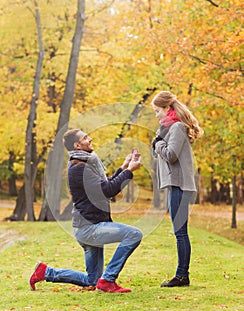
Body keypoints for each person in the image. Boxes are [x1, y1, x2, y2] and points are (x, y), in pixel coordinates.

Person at [30, 128, 143, 293]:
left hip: (87, 227)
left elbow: (103, 187)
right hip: (89, 228)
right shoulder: (79, 168)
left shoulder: (84, 165)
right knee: (134, 234)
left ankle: (46, 272)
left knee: (92, 280)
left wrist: (123, 168)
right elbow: (107, 190)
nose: (90, 139)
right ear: (77, 145)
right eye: (85, 137)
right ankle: (108, 279)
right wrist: (129, 171)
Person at [151, 91, 203, 287]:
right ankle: (182, 275)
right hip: (175, 185)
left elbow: (171, 155)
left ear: (167, 108)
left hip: (180, 185)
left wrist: (158, 143)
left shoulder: (178, 128)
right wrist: (158, 141)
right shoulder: (168, 129)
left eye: (157, 111)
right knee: (179, 231)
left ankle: (182, 276)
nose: (156, 115)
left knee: (180, 232)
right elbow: (161, 152)